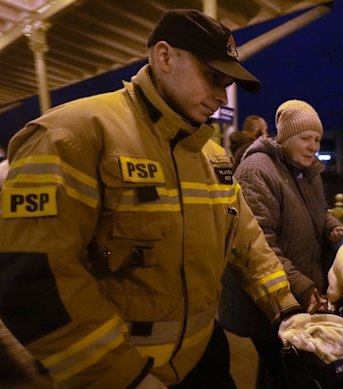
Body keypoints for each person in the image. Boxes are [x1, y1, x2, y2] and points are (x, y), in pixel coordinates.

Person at [0, 9, 303, 389]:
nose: (220, 95)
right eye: (212, 76)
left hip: (205, 358)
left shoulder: (211, 156)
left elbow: (246, 239)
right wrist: (123, 376)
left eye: (226, 82)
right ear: (164, 57)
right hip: (125, 369)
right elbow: (31, 278)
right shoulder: (70, 135)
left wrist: (286, 307)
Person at [218, 99, 343, 389]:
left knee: (279, 369)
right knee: (283, 370)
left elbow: (319, 211)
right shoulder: (257, 170)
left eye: (317, 139)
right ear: (286, 138)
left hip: (293, 289)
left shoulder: (307, 171)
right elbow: (259, 242)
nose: (313, 146)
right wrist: (301, 285)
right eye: (305, 138)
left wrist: (331, 227)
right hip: (266, 298)